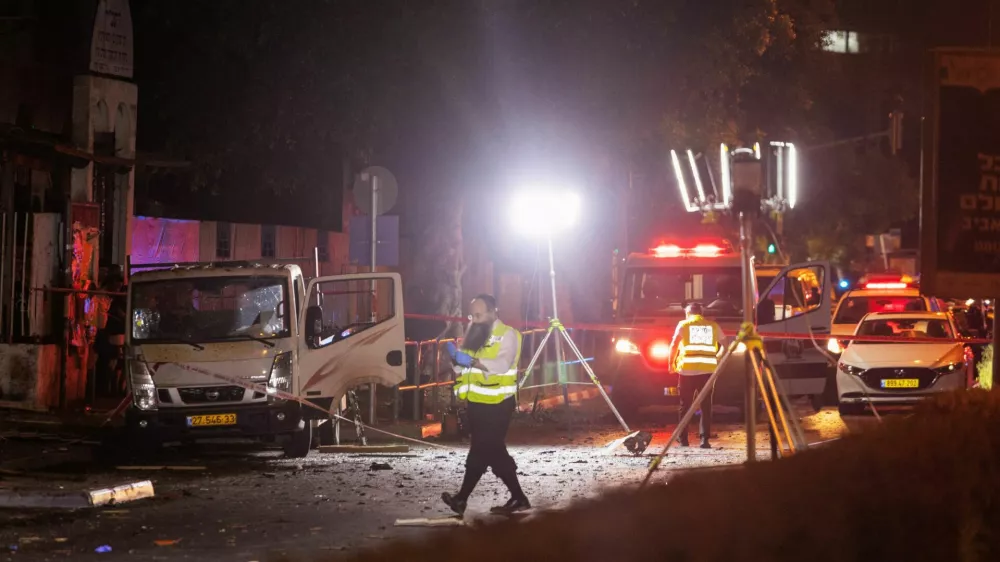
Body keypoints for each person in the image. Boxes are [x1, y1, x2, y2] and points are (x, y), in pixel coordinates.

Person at [442, 294, 529, 515]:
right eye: (472, 315)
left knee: (481, 449)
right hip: (477, 403)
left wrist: (471, 361)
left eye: (479, 315)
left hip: (498, 404)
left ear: (493, 313)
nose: (474, 319)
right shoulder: (474, 333)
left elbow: (501, 364)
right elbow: (460, 368)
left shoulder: (507, 335)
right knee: (493, 451)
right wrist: (456, 360)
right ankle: (519, 498)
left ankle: (461, 499)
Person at [668, 302, 724, 449]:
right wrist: (716, 358)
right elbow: (726, 345)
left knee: (685, 405)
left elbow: (674, 345)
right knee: (706, 406)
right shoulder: (712, 326)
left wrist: (671, 364)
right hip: (707, 371)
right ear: (701, 313)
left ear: (688, 313)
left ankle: (683, 440)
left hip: (687, 370)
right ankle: (704, 440)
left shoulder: (684, 325)